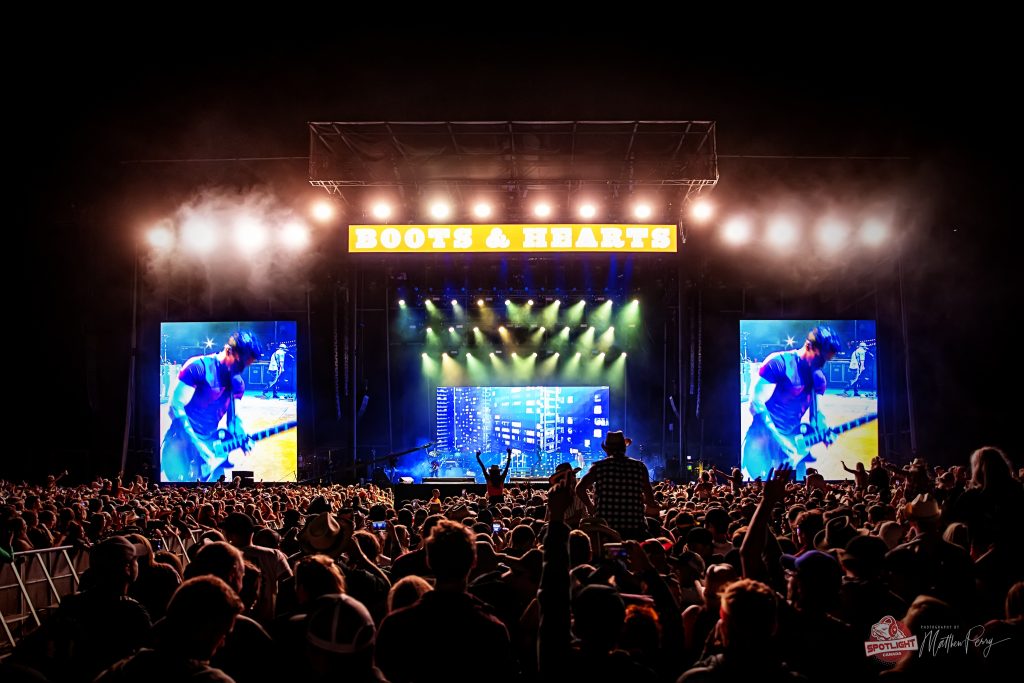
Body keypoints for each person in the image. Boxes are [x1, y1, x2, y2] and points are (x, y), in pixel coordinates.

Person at [742, 325, 841, 481]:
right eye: (820, 358)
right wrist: (780, 440)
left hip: (792, 443)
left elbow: (816, 414)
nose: (822, 364)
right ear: (808, 346)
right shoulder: (779, 362)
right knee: (757, 490)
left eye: (826, 360)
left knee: (797, 488)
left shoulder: (818, 377)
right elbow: (755, 404)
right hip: (761, 441)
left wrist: (823, 429)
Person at [161, 331, 261, 483]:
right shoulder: (198, 367)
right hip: (181, 445)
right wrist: (197, 444)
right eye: (239, 364)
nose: (240, 370)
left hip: (210, 445)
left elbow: (234, 419)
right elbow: (175, 407)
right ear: (229, 350)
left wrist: (241, 435)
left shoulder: (237, 383)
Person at [575, 430, 657, 540]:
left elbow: (579, 488)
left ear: (607, 449)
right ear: (624, 448)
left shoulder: (598, 467)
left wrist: (591, 508)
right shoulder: (640, 467)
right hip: (635, 531)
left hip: (606, 530)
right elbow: (650, 499)